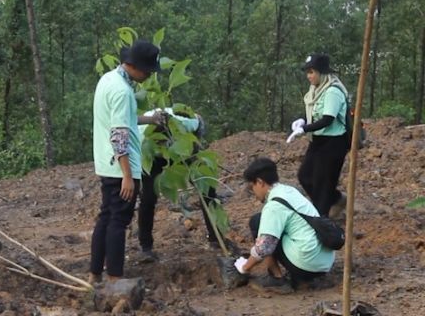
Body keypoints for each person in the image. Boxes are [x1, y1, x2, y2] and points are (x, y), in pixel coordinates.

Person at [89, 40, 164, 284]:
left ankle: (95, 273)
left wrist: (149, 119)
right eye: (149, 71)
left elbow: (124, 120)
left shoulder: (108, 80)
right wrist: (128, 176)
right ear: (138, 67)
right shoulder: (122, 91)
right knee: (119, 222)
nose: (149, 75)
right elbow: (119, 134)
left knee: (106, 217)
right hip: (120, 167)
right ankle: (115, 278)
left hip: (106, 163)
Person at [234, 157, 335, 290]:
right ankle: (303, 277)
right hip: (325, 261)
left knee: (258, 222)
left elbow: (264, 248)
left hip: (307, 264)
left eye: (252, 187)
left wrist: (245, 267)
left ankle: (277, 279)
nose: (253, 192)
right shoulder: (289, 191)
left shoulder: (274, 206)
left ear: (260, 182)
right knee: (273, 225)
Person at [137, 108, 220, 261]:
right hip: (152, 157)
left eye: (163, 139)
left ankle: (216, 239)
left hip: (181, 149)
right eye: (159, 140)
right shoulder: (141, 135)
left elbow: (197, 133)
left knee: (206, 187)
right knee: (148, 198)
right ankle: (145, 247)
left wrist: (194, 150)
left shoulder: (187, 123)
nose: (162, 142)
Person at [286, 53, 348, 218]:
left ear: (322, 72)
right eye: (308, 72)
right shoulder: (315, 90)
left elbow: (327, 119)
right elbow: (312, 112)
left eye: (312, 72)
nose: (309, 76)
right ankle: (336, 200)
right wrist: (301, 120)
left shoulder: (332, 91)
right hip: (318, 140)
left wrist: (304, 129)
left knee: (323, 182)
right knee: (305, 176)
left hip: (334, 142)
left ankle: (322, 220)